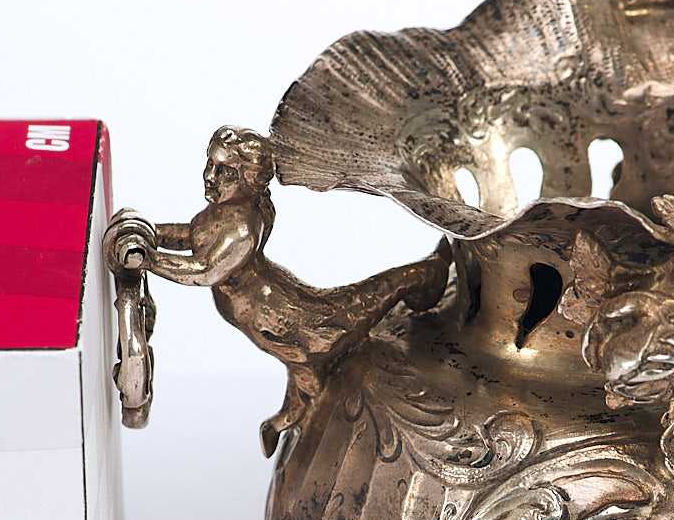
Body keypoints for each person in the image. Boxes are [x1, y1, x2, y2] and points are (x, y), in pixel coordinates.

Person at [113, 127, 450, 455]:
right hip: (272, 315)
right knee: (311, 360)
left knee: (318, 355)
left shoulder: (242, 228)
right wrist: (152, 233)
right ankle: (287, 422)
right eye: (210, 164)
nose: (210, 177)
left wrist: (148, 259)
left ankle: (428, 274)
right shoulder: (222, 213)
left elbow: (204, 270)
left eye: (225, 171)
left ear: (248, 181)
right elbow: (192, 235)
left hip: (280, 318)